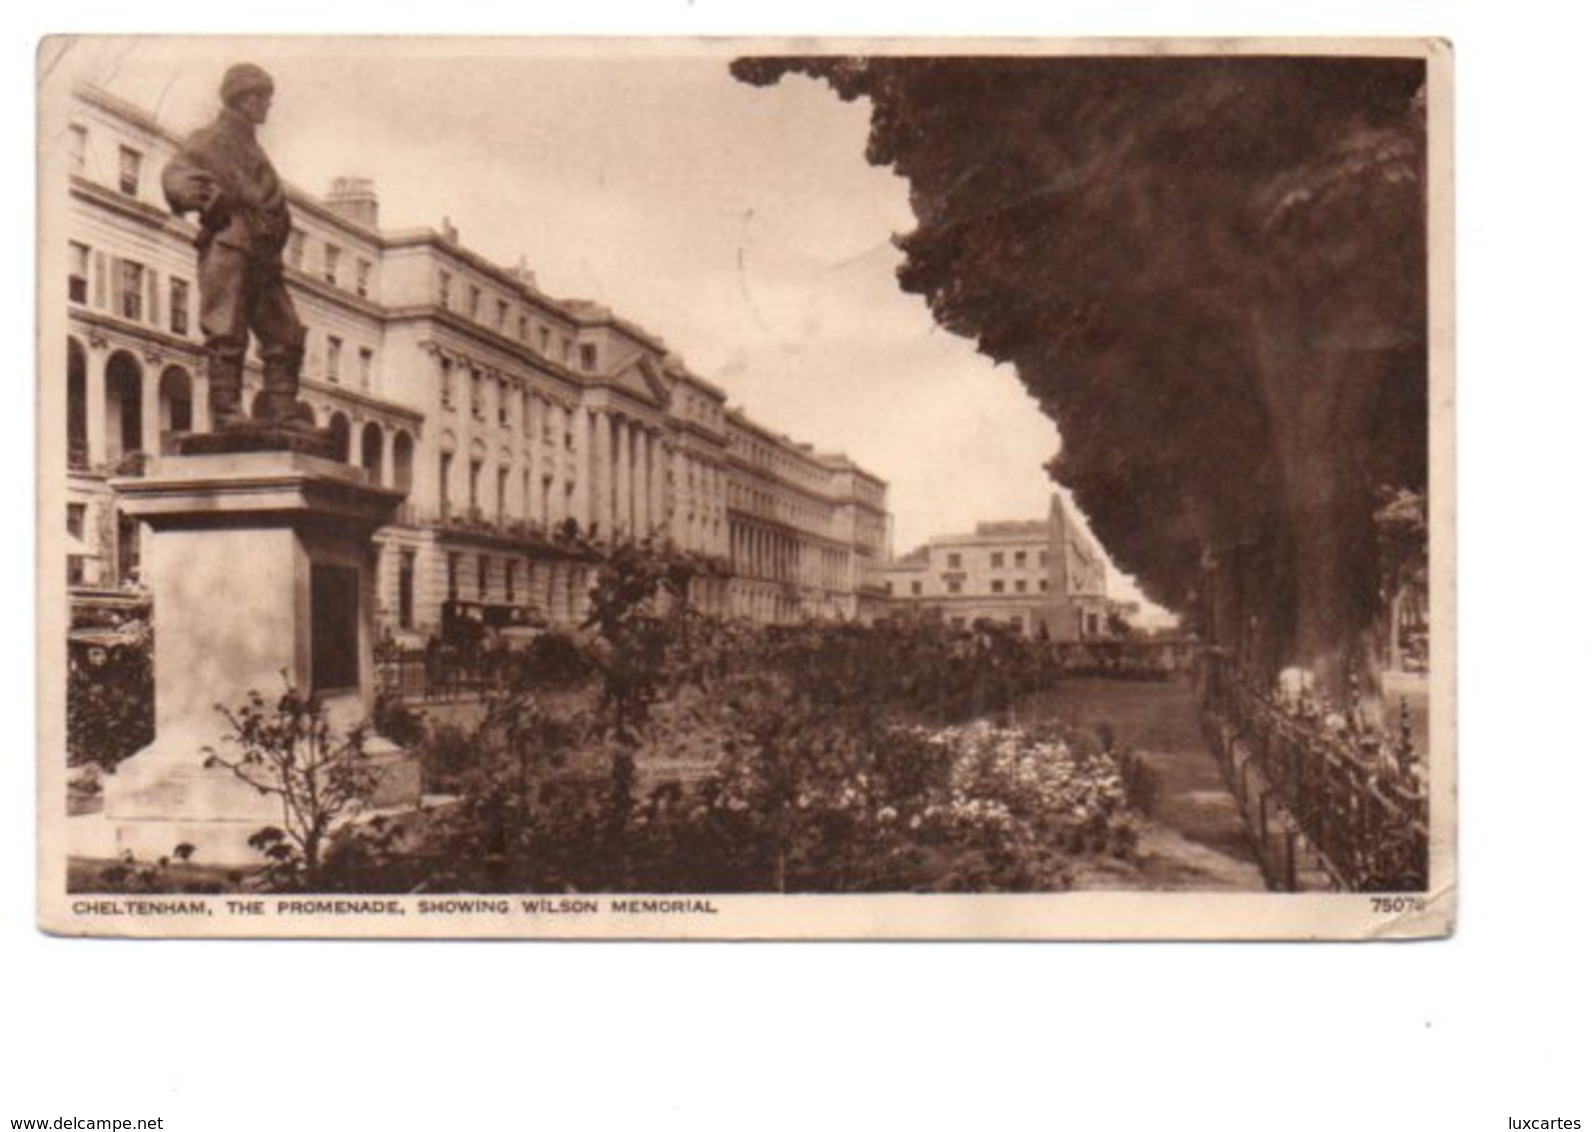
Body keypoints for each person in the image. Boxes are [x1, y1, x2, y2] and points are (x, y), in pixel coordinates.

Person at [161, 63, 305, 428]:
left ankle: (283, 412)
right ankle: (226, 412)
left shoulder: (253, 147)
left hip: (264, 255)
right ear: (242, 97)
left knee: (286, 333)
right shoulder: (209, 139)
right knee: (227, 329)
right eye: (262, 97)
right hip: (229, 244)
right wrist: (208, 199)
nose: (268, 105)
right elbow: (176, 177)